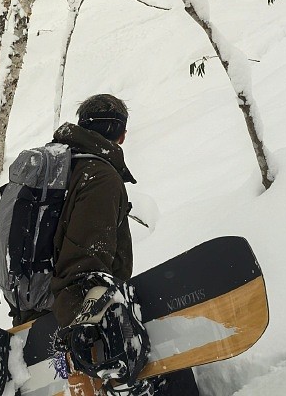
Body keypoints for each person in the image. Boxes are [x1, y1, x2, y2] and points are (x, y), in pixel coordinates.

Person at [51, 94, 200, 396]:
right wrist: (90, 326)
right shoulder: (99, 177)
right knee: (173, 370)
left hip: (39, 312)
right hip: (85, 321)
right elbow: (86, 263)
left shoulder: (56, 171)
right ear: (120, 134)